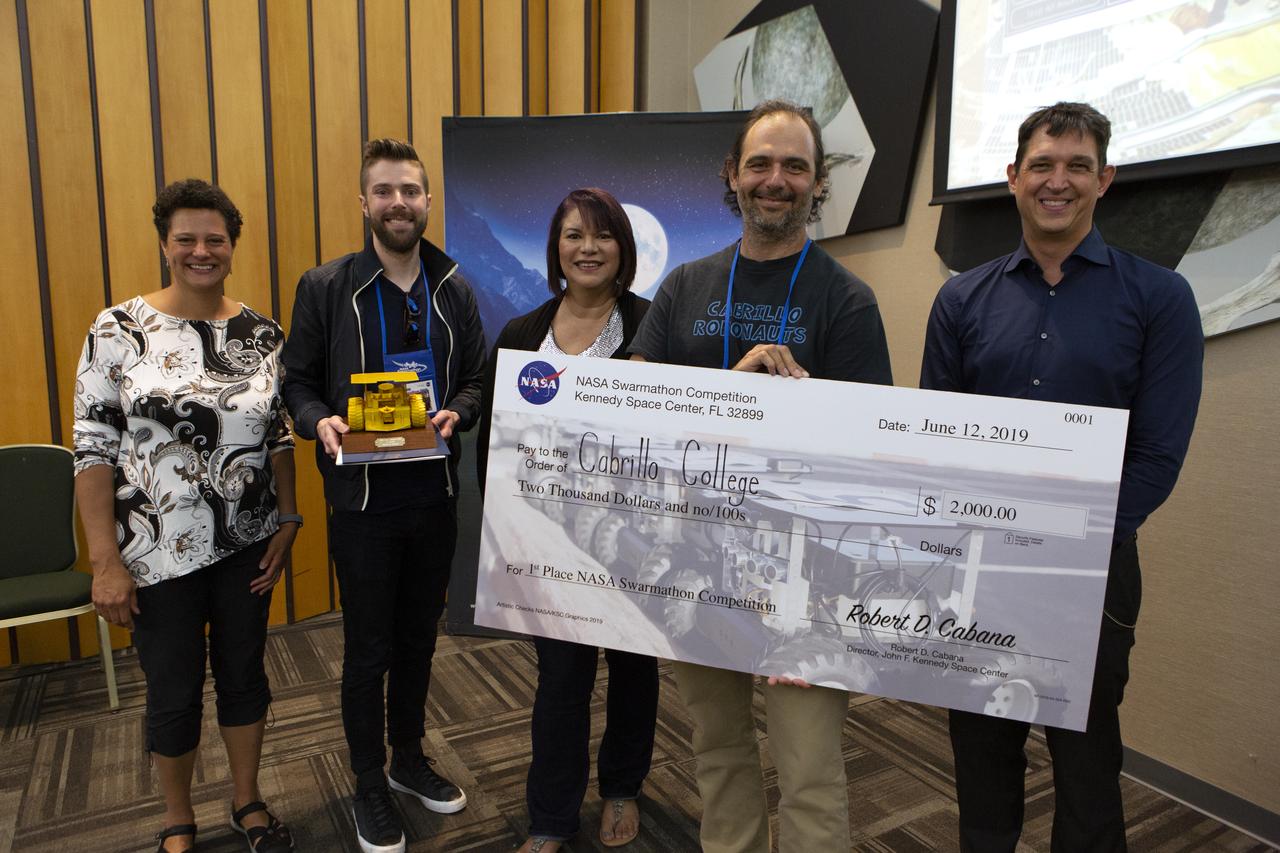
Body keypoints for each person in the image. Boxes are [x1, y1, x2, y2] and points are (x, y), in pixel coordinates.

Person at [920, 102, 1203, 852]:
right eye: (1042, 164)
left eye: (1078, 165)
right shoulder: (960, 300)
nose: (1059, 181)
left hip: (1095, 568)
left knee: (1084, 754)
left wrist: (1058, 543)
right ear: (1013, 178)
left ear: (1104, 179)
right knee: (981, 741)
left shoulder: (1160, 299)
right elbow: (938, 444)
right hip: (977, 565)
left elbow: (1157, 456)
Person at [628, 100, 893, 853]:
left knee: (807, 767)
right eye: (760, 164)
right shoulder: (684, 286)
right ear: (732, 176)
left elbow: (867, 458)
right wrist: (733, 393)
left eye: (795, 166)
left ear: (817, 183)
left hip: (806, 582)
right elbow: (633, 407)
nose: (776, 180)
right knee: (717, 750)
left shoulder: (847, 299)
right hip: (697, 559)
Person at [75, 179, 298, 853]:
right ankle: (178, 815)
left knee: (244, 676)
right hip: (153, 552)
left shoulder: (261, 333)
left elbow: (279, 432)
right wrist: (103, 561)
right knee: (173, 691)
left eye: (215, 239)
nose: (201, 251)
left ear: (232, 246)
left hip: (246, 543)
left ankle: (247, 799)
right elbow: (92, 448)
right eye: (186, 239)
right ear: (165, 245)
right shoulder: (117, 329)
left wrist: (288, 520)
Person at [281, 138, 485, 853]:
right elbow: (295, 383)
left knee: (419, 640)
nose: (399, 203)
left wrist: (459, 408)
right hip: (363, 503)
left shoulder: (454, 287)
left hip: (435, 497)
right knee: (369, 649)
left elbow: (478, 379)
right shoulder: (327, 286)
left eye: (411, 190)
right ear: (364, 203)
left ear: (428, 201)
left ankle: (408, 758)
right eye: (386, 191)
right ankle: (369, 778)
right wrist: (318, 420)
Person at [477, 188, 657, 853]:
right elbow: (493, 445)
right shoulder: (523, 334)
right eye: (575, 235)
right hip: (548, 543)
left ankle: (622, 787)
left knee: (635, 671)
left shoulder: (651, 325)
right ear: (556, 248)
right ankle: (551, 816)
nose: (589, 247)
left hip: (633, 538)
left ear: (623, 249)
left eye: (604, 235)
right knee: (560, 679)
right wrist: (503, 538)